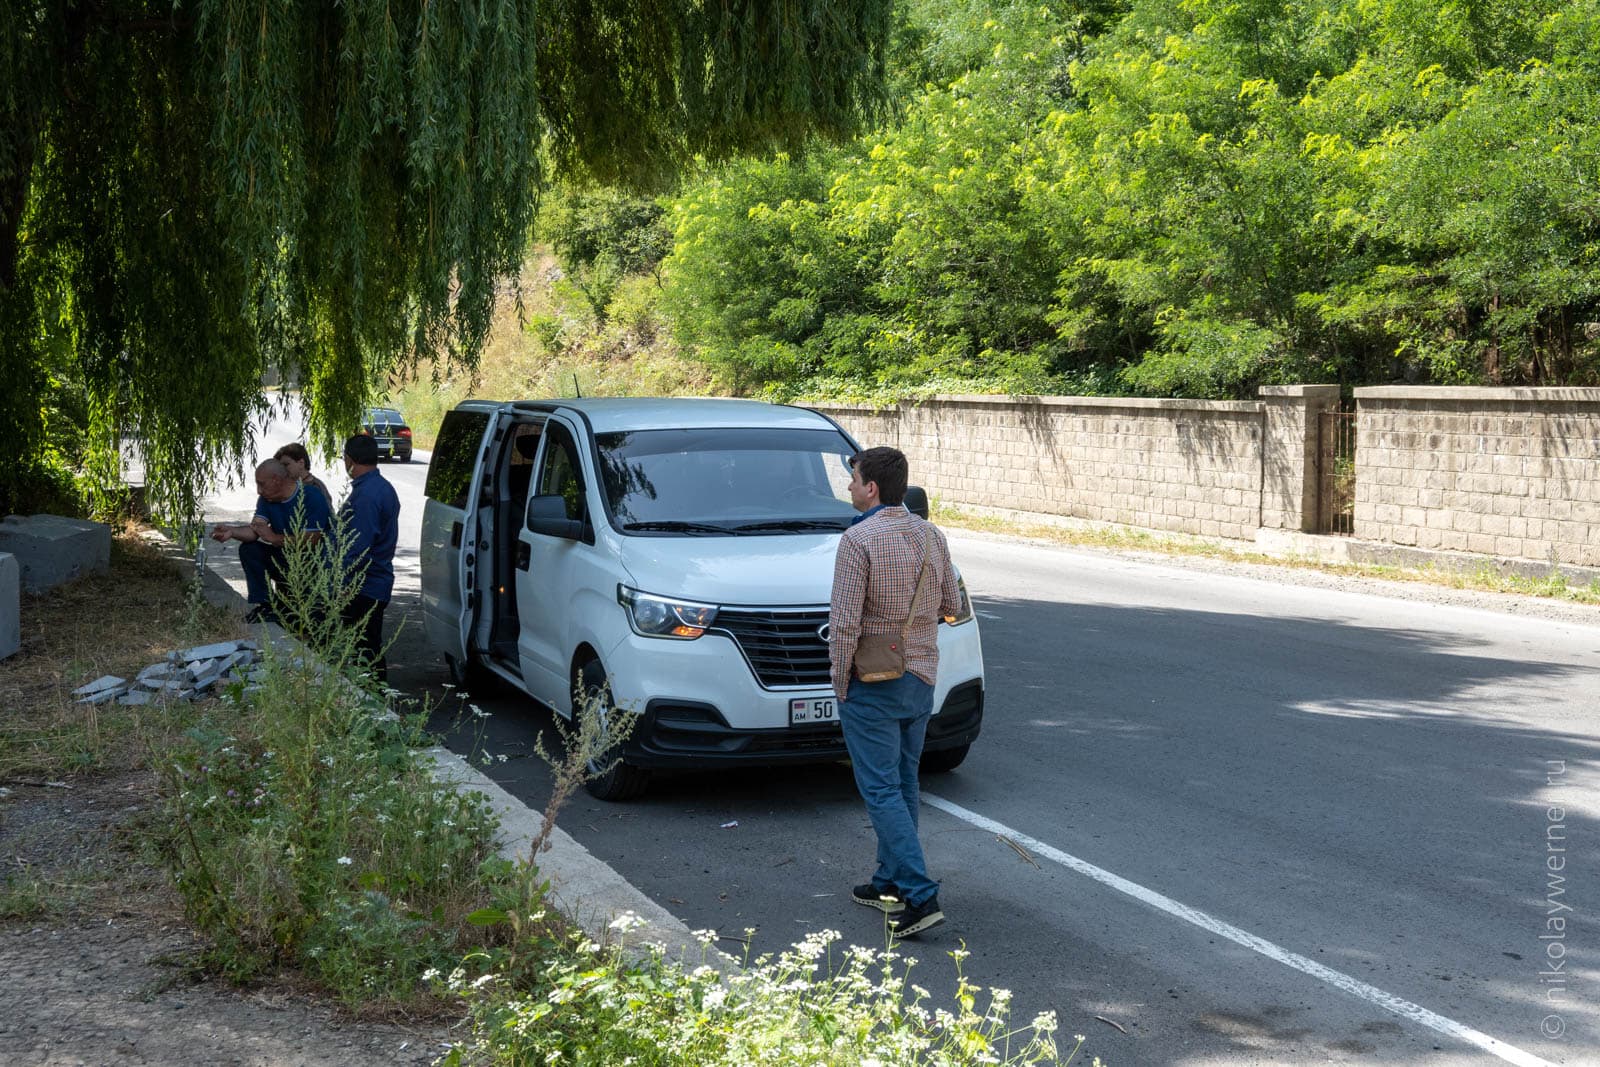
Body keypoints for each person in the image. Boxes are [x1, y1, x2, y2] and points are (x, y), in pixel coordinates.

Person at [830, 446, 962, 938]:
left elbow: (843, 622)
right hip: (922, 675)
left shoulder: (857, 540)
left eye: (854, 479)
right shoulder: (932, 535)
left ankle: (919, 893)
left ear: (872, 488)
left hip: (872, 677)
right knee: (904, 782)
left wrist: (840, 680)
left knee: (879, 788)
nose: (849, 487)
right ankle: (887, 882)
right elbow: (952, 603)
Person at [211, 458, 334, 624]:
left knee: (308, 621)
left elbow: (311, 539)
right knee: (249, 549)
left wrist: (275, 538)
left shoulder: (311, 496)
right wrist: (232, 532)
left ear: (276, 480)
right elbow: (255, 531)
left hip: (312, 565)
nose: (258, 490)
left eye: (262, 484)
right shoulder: (267, 499)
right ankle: (267, 605)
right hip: (284, 559)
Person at [336, 434, 401, 683]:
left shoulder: (366, 495)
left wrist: (343, 583)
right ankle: (372, 698)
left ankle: (374, 702)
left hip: (364, 585)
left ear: (349, 459)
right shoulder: (381, 488)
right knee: (367, 647)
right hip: (374, 581)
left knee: (365, 651)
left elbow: (357, 546)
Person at [273, 442, 334, 510]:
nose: (282, 469)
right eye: (280, 466)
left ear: (301, 463)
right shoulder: (282, 487)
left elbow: (328, 516)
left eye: (286, 465)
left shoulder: (316, 487)